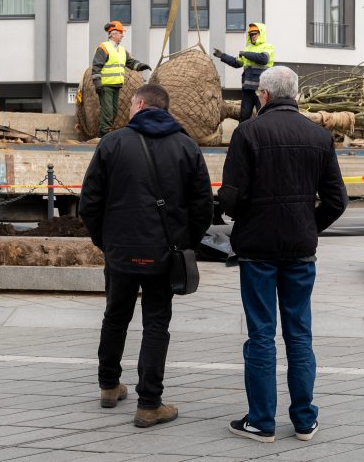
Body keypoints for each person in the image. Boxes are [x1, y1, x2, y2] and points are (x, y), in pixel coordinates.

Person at [219, 66, 347, 444]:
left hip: (257, 250)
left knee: (260, 334)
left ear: (264, 96)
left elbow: (232, 196)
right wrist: (309, 226)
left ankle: (261, 421)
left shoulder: (248, 133)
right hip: (299, 252)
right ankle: (304, 420)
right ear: (296, 95)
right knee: (299, 334)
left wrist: (237, 214)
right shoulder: (319, 136)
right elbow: (337, 200)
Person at [80, 83, 213, 428]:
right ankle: (149, 404)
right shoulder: (187, 146)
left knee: (115, 316)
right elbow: (202, 207)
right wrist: (186, 245)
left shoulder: (113, 143)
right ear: (165, 109)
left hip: (121, 252)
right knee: (156, 323)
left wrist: (105, 242)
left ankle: (109, 386)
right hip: (164, 252)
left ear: (139, 104)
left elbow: (89, 202)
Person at [91, 20, 151, 137]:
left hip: (116, 85)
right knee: (107, 112)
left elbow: (130, 62)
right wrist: (97, 82)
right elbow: (96, 66)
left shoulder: (122, 50)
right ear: (113, 34)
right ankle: (104, 134)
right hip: (105, 86)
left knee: (113, 112)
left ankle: (105, 133)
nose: (122, 35)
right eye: (120, 32)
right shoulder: (104, 48)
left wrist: (140, 66)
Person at [213, 22, 275, 122]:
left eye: (255, 33)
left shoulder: (268, 47)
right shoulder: (248, 47)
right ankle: (243, 136)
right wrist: (222, 56)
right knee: (244, 116)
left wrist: (246, 54)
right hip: (248, 90)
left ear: (261, 33)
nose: (253, 36)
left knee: (262, 116)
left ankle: (261, 137)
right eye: (251, 34)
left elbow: (263, 59)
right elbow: (237, 63)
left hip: (263, 90)